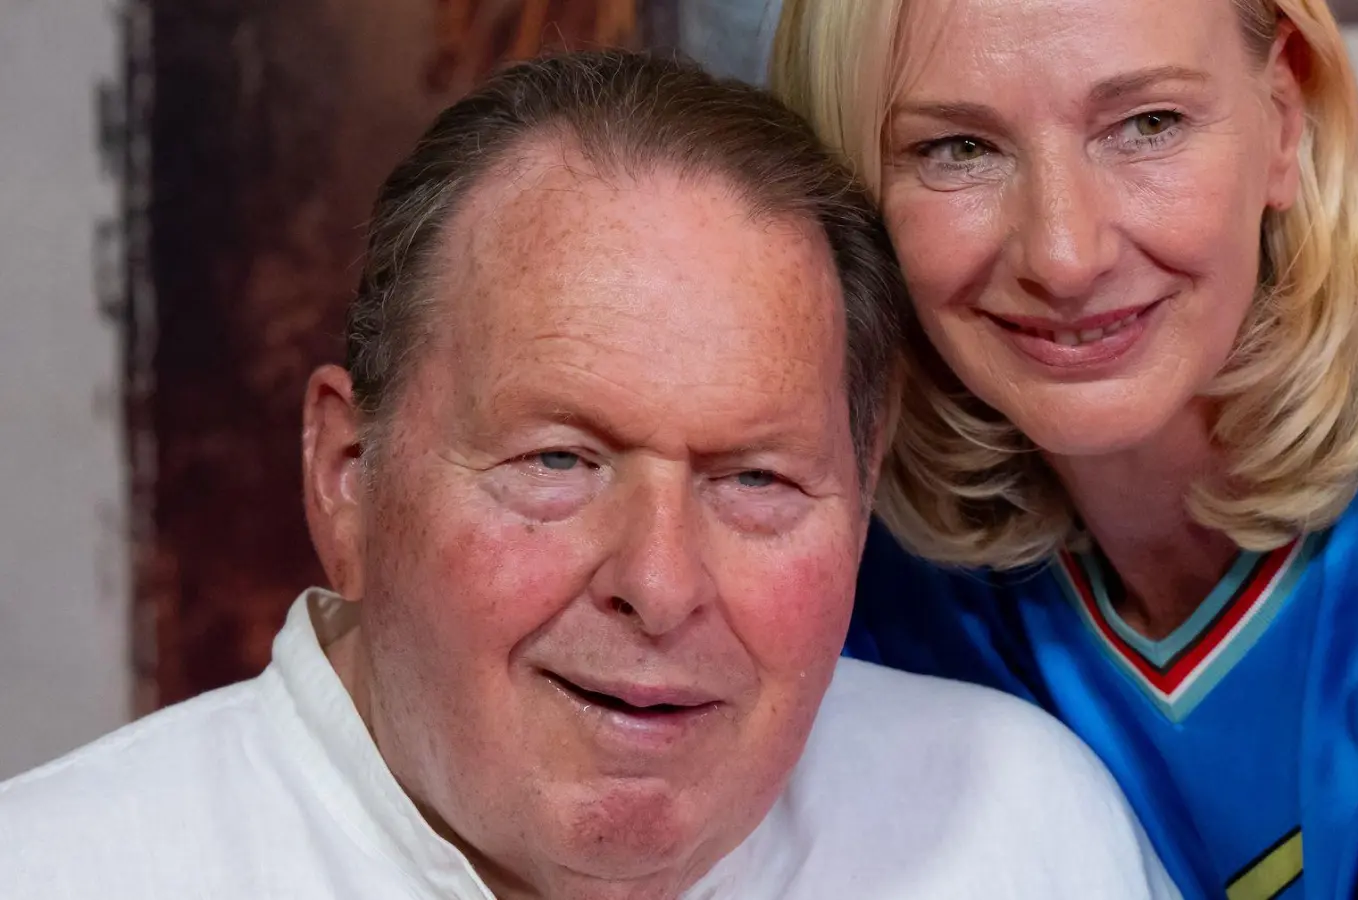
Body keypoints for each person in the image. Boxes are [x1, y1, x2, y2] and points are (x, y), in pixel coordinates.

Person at [0, 51, 1178, 900]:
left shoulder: (1018, 828)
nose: (660, 586)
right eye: (558, 461)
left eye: (757, 482)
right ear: (349, 477)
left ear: (861, 495)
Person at [771, 1, 1358, 898]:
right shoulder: (847, 554)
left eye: (1147, 125)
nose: (1064, 254)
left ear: (1286, 118)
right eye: (957, 149)